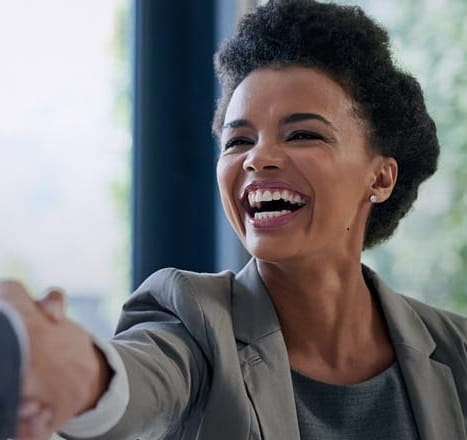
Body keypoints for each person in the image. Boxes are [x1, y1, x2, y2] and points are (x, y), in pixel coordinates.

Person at [4, 0, 467, 438]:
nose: (257, 157)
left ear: (381, 178)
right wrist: (59, 365)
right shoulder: (192, 322)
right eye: (238, 141)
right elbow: (135, 379)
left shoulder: (456, 349)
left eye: (303, 134)